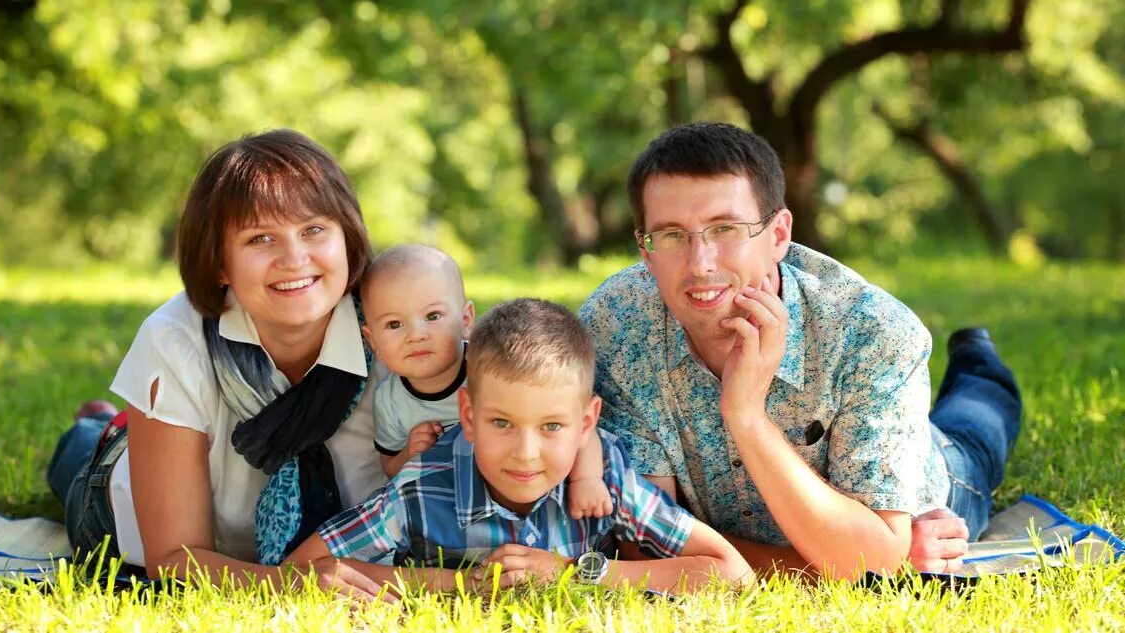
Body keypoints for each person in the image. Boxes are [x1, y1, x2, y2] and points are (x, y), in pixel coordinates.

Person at [579, 122, 1022, 580]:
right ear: (645, 250)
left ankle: (977, 357)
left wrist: (746, 415)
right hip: (839, 525)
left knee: (979, 421)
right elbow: (647, 548)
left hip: (935, 477)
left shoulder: (873, 332)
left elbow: (868, 561)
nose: (700, 264)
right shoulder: (617, 325)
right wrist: (850, 556)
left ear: (778, 235)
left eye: (725, 228)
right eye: (672, 235)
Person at [45, 129, 390, 597]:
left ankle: (117, 424)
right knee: (80, 454)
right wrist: (291, 585)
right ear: (219, 263)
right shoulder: (175, 339)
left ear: (347, 239)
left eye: (313, 230)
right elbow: (172, 559)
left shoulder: (399, 326)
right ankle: (102, 430)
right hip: (114, 510)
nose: (294, 258)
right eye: (261, 238)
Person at [274, 298, 754, 593]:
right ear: (468, 416)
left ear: (587, 423)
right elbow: (305, 569)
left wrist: (576, 572)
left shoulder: (603, 479)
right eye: (501, 422)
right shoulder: (420, 488)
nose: (526, 453)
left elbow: (732, 573)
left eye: (551, 427)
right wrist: (457, 583)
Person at [362, 244, 611, 512]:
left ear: (466, 319)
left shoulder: (493, 371)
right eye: (394, 324)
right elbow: (388, 467)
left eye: (433, 316)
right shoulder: (389, 401)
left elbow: (576, 424)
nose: (416, 334)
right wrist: (408, 455)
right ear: (372, 339)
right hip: (455, 505)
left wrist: (587, 479)